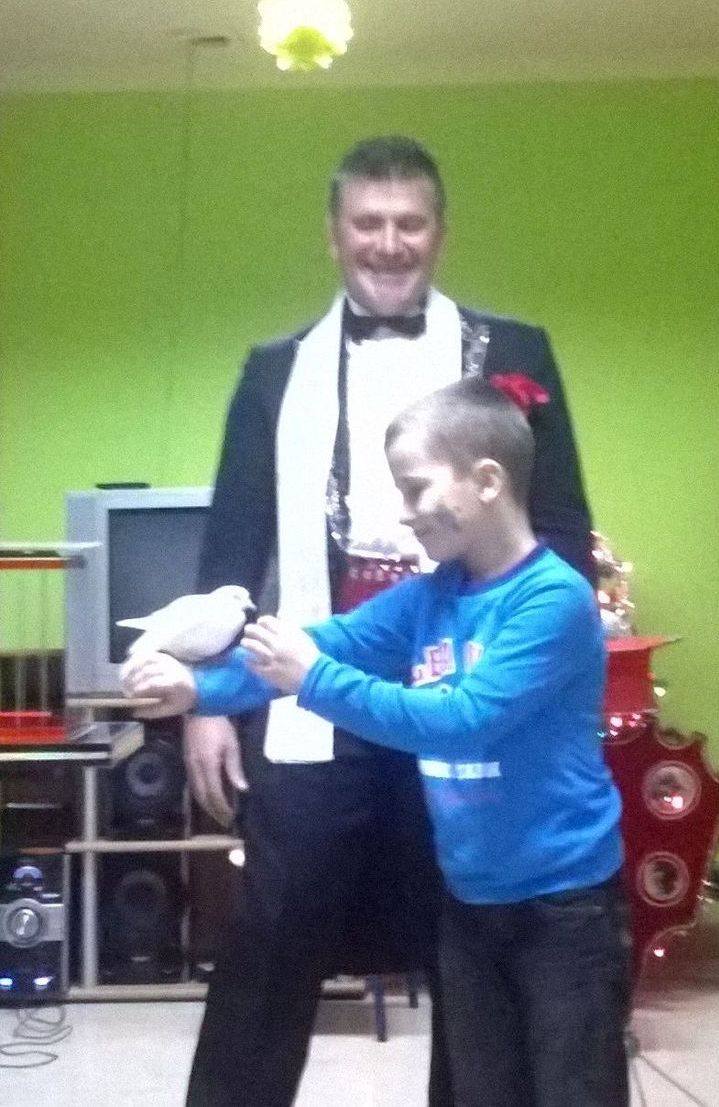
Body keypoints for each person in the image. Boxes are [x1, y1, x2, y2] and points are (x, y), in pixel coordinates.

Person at [184, 136, 595, 1106]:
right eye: (368, 223)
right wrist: (205, 702)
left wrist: (533, 671)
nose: (389, 242)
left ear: (440, 233)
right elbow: (233, 542)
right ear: (334, 235)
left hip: (464, 672)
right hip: (314, 678)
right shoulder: (274, 370)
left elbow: (563, 523)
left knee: (469, 940)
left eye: (409, 223)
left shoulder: (513, 351)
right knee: (271, 934)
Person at [126, 379, 628, 1107]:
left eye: (416, 488)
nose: (404, 511)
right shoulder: (433, 595)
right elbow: (330, 642)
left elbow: (462, 719)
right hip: (470, 902)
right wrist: (199, 689)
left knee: (573, 1092)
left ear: (488, 481)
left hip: (565, 909)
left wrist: (313, 680)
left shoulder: (554, 599)